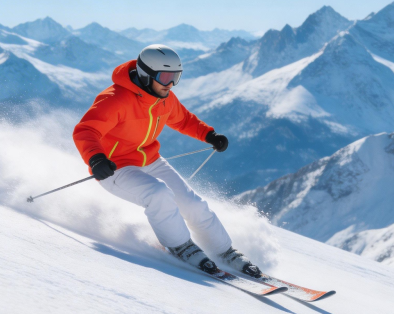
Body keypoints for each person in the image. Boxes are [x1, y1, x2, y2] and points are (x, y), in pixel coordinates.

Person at [72, 44, 262, 277]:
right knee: (158, 194)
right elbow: (85, 130)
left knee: (192, 204)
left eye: (175, 77)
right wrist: (96, 159)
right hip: (114, 168)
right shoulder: (115, 100)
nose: (170, 84)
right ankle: (181, 246)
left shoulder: (164, 98)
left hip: (151, 160)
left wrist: (209, 135)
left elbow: (184, 120)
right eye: (165, 77)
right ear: (146, 74)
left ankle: (225, 251)